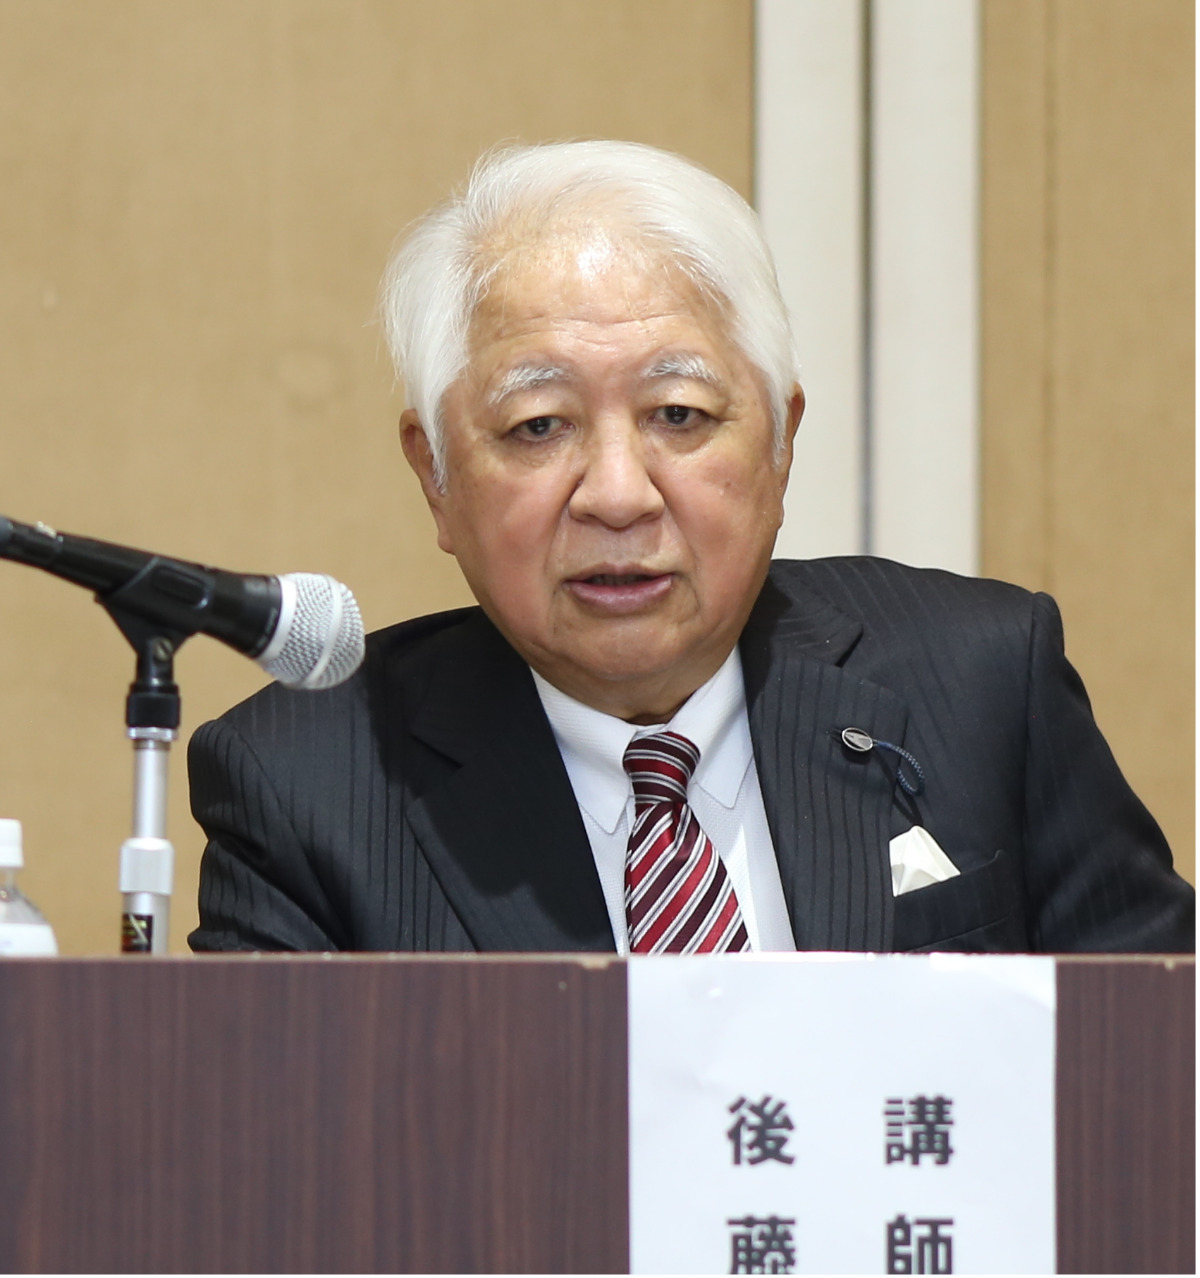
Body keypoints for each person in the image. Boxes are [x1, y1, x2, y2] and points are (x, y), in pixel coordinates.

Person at [188, 140, 1193, 955]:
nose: (618, 496)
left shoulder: (980, 683)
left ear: (781, 444)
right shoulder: (302, 789)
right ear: (436, 477)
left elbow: (1159, 1065)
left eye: (678, 413)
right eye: (539, 425)